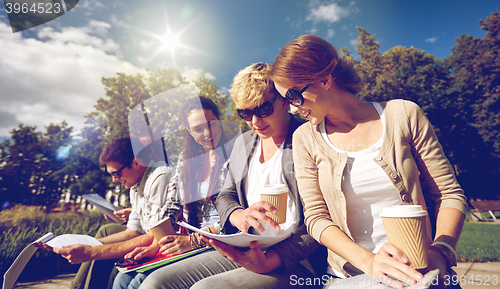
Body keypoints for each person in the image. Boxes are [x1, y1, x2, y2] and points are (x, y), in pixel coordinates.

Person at [269, 34, 467, 289]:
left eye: (294, 96)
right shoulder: (305, 138)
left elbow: (449, 193)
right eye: (287, 101)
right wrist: (371, 263)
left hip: (421, 273)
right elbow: (317, 218)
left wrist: (441, 251)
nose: (293, 109)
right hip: (350, 278)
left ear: (325, 79)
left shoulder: (403, 114)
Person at [138, 62, 327, 289]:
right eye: (245, 113)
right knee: (155, 283)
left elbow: (320, 217)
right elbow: (225, 195)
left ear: (284, 100)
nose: (254, 122)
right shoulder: (244, 143)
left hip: (295, 259)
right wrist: (238, 215)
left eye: (263, 109)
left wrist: (269, 261)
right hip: (245, 247)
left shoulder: (307, 138)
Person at [113, 96, 233, 289]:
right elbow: (172, 206)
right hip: (187, 240)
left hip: (218, 241)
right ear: (189, 131)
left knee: (144, 282)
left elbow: (234, 217)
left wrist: (193, 241)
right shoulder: (186, 159)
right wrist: (157, 244)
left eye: (211, 124)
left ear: (219, 120)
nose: (207, 133)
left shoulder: (233, 154)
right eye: (198, 129)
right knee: (123, 278)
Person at [37, 136, 175, 289]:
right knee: (105, 235)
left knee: (119, 278)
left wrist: (92, 251)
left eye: (116, 173)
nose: (114, 180)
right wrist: (84, 245)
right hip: (150, 237)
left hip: (164, 243)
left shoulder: (160, 177)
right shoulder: (135, 183)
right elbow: (132, 232)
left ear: (135, 162)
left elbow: (157, 235)